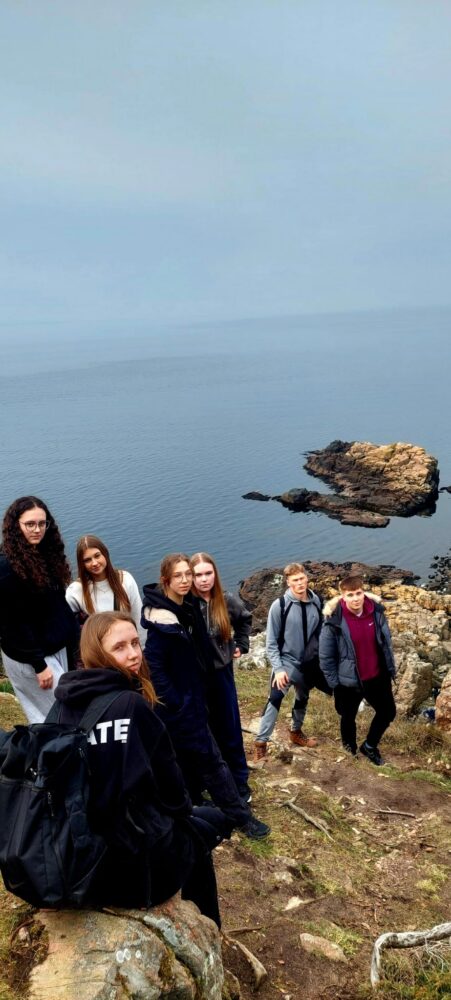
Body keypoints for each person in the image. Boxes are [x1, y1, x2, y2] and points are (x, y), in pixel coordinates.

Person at [53, 611, 229, 925]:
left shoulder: (59, 707)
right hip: (130, 867)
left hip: (79, 855)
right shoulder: (131, 704)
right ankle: (208, 927)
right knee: (208, 828)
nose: (134, 654)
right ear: (96, 652)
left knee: (198, 823)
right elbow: (173, 794)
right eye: (119, 647)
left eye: (136, 643)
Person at [142, 553, 270, 840]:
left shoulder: (184, 608)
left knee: (188, 758)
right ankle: (241, 817)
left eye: (188, 574)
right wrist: (177, 702)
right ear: (166, 580)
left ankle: (195, 804)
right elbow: (155, 666)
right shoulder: (163, 621)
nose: (187, 580)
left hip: (194, 694)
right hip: (181, 704)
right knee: (212, 762)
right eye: (179, 576)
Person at [0, 495, 79, 723]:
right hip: (33, 658)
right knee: (61, 717)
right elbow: (13, 624)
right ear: (15, 526)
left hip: (54, 648)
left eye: (42, 523)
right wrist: (39, 666)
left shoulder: (43, 555)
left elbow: (57, 605)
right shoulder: (6, 567)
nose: (37, 530)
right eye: (30, 524)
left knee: (57, 716)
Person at [190, 552, 252, 802]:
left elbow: (245, 620)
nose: (204, 579)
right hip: (195, 677)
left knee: (229, 727)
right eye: (198, 575)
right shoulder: (186, 605)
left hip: (221, 674)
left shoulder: (226, 600)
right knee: (202, 727)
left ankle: (239, 780)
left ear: (215, 574)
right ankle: (206, 779)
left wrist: (241, 644)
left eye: (208, 573)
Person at [253, 562, 330, 763]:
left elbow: (323, 631)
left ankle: (296, 732)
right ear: (288, 582)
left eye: (302, 578)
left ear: (307, 578)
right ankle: (261, 743)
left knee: (303, 697)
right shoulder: (279, 606)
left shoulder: (317, 601)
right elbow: (271, 642)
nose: (300, 583)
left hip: (308, 663)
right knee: (275, 699)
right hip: (286, 662)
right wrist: (278, 669)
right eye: (295, 580)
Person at [319, 575, 397, 765]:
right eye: (350, 595)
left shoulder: (376, 611)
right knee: (348, 717)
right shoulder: (334, 620)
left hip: (377, 675)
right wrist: (335, 684)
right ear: (343, 596)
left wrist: (389, 668)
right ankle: (350, 752)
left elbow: (384, 643)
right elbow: (326, 657)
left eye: (358, 593)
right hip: (348, 681)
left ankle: (369, 746)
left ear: (364, 592)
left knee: (388, 712)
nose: (355, 598)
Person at [66, 534, 146, 643]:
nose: (94, 563)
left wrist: (142, 647)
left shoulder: (125, 579)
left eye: (97, 556)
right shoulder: (75, 590)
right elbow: (63, 622)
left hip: (126, 647)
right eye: (87, 560)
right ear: (82, 564)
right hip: (98, 651)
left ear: (105, 554)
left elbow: (137, 617)